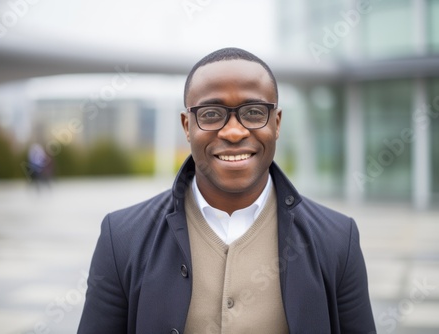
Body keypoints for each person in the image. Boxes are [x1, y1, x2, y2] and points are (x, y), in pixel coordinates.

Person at [78, 47, 376, 334]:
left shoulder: (338, 239)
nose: (234, 132)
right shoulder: (121, 238)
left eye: (254, 112)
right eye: (210, 114)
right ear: (187, 126)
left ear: (277, 123)